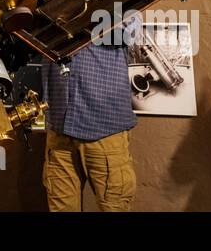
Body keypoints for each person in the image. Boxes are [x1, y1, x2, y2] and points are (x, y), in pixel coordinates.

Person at [40, 14, 138, 212]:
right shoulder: (47, 1)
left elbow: (130, 32)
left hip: (105, 129)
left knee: (114, 207)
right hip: (59, 128)